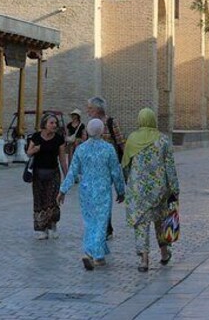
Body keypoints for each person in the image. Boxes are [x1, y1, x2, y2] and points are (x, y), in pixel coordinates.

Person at [57, 118, 125, 270]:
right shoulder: (108, 149)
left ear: (87, 131)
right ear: (102, 131)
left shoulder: (81, 149)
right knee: (101, 221)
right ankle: (97, 255)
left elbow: (72, 171)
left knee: (90, 222)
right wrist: (121, 191)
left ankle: (90, 251)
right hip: (102, 191)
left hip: (86, 191)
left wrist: (63, 190)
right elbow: (115, 171)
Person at [122, 108, 179, 272]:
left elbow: (126, 165)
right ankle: (164, 253)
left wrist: (130, 182)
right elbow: (170, 167)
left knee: (140, 224)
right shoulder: (163, 140)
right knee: (160, 222)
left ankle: (144, 259)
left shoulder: (132, 139)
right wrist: (174, 188)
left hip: (138, 190)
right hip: (159, 190)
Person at [26, 113, 68, 240]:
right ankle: (41, 229)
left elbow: (62, 159)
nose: (54, 125)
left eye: (55, 123)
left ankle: (52, 226)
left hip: (53, 173)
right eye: (51, 123)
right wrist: (34, 150)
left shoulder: (59, 139)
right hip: (38, 174)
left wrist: (67, 176)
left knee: (53, 201)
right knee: (39, 201)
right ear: (44, 124)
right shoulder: (36, 137)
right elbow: (28, 152)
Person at [87, 96, 123, 239]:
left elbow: (121, 143)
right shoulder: (89, 124)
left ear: (97, 109)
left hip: (107, 169)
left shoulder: (111, 122)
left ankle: (106, 227)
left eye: (90, 108)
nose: (87, 111)